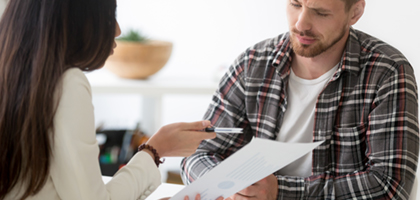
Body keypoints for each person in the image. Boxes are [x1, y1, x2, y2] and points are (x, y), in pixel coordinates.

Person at [181, 0, 419, 199]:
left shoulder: (387, 71)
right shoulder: (252, 63)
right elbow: (198, 153)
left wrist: (280, 192)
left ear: (354, 12)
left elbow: (390, 187)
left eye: (320, 12)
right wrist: (231, 188)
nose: (301, 23)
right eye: (295, 4)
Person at [0, 0, 219, 200]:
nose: (117, 30)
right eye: (108, 17)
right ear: (75, 21)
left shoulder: (13, 73)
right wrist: (154, 149)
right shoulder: (68, 84)